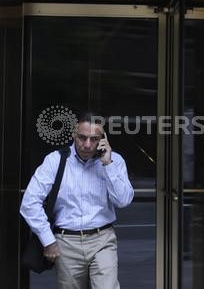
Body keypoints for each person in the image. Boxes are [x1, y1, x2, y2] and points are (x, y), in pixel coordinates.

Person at [20, 113, 134, 288]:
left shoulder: (114, 161)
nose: (87, 145)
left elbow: (123, 201)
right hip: (66, 242)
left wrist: (107, 164)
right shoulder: (55, 160)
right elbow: (29, 203)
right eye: (82, 138)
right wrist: (48, 240)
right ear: (74, 134)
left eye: (94, 139)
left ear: (103, 139)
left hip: (102, 240)